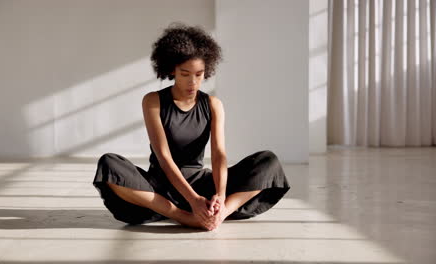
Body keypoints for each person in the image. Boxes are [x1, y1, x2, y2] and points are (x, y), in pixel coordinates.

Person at [92, 22, 291, 231]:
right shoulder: (153, 101)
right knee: (109, 163)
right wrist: (193, 201)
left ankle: (221, 214)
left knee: (268, 161)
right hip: (159, 189)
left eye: (199, 74)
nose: (193, 82)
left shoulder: (213, 104)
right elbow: (164, 157)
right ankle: (182, 216)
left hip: (201, 183)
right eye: (185, 74)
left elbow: (218, 155)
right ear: (172, 70)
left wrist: (220, 196)